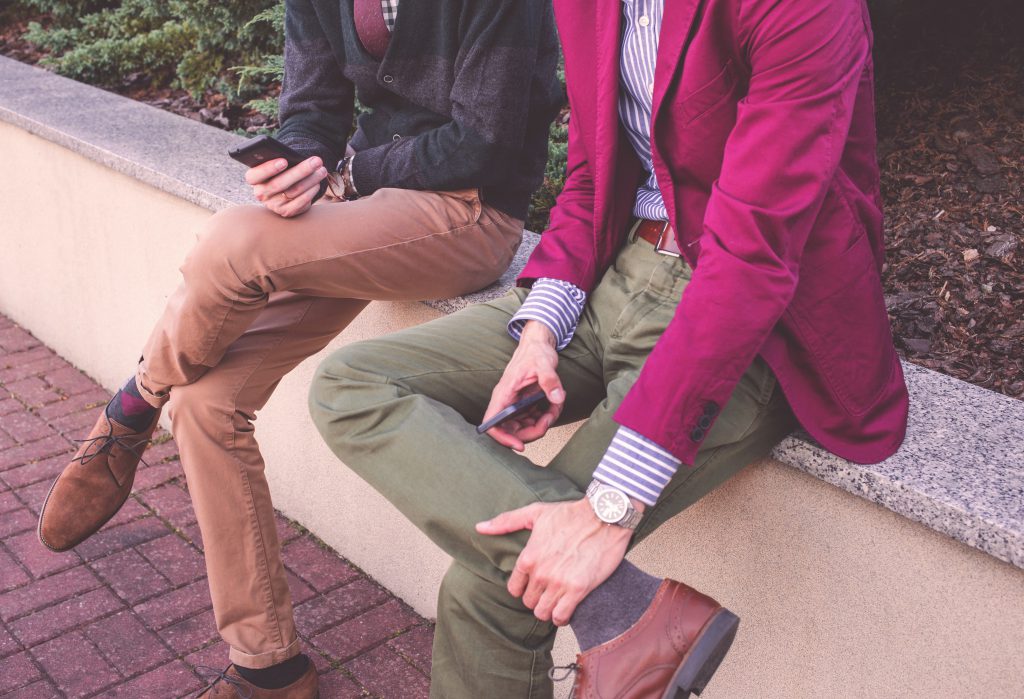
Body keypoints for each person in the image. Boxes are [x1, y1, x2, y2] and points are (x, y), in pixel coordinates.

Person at [308, 0, 910, 697]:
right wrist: (539, 333)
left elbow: (753, 258)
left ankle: (623, 610)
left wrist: (610, 508)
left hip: (749, 323)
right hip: (619, 274)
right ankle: (626, 608)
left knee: (490, 595)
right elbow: (592, 175)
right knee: (352, 383)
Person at [37, 1, 562, 696]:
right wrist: (299, 164)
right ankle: (268, 664)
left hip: (467, 212)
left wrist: (345, 172)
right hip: (365, 210)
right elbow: (312, 111)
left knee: (233, 241)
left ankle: (133, 402)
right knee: (206, 401)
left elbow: (482, 142)